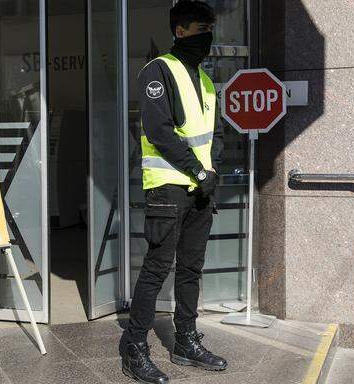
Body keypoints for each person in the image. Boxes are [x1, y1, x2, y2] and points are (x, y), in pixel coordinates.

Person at [120, 1, 227, 383]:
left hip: (201, 189)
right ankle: (133, 347)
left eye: (210, 29)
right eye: (201, 29)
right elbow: (159, 129)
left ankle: (185, 341)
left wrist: (212, 167)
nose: (208, 36)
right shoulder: (158, 70)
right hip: (168, 186)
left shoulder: (205, 79)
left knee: (191, 268)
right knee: (156, 269)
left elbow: (215, 134)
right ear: (180, 31)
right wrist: (198, 169)